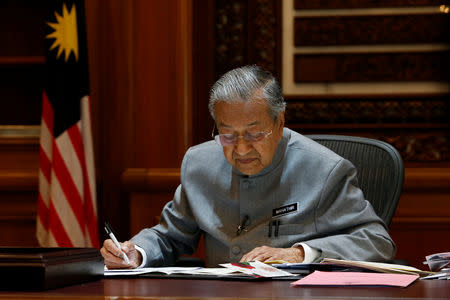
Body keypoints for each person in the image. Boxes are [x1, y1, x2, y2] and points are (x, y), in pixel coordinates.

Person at [101, 65, 396, 269]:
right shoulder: (198, 164)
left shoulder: (325, 170)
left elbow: (376, 241)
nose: (241, 149)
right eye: (227, 135)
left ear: (280, 123)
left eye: (255, 134)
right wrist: (135, 252)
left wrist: (297, 254)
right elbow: (168, 236)